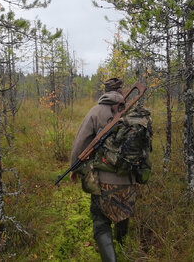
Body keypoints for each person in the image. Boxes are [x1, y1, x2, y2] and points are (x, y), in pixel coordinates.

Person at [69, 78, 139, 262]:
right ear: (122, 91)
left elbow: (80, 142)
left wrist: (73, 168)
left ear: (105, 91)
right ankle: (122, 247)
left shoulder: (96, 111)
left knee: (101, 221)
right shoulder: (134, 111)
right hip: (129, 178)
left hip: (103, 180)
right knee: (123, 211)